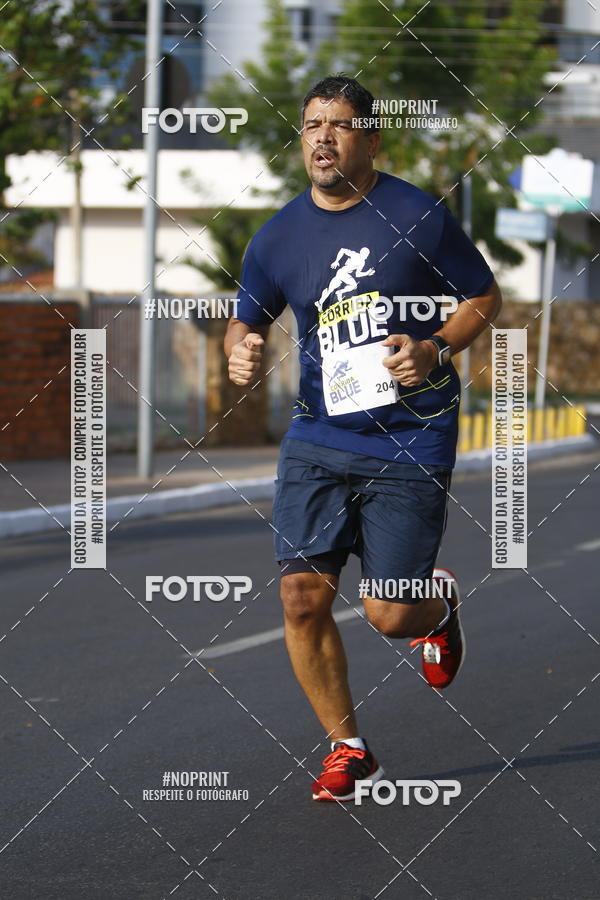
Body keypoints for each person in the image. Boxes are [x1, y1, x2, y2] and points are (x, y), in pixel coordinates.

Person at [224, 75, 502, 802]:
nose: (323, 137)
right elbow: (247, 317)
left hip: (411, 437)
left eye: (340, 125)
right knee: (300, 597)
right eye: (312, 124)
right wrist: (240, 348)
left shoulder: (418, 215)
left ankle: (437, 607)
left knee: (389, 614)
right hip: (318, 435)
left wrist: (435, 347)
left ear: (371, 140)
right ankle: (349, 749)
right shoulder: (277, 236)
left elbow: (484, 296)